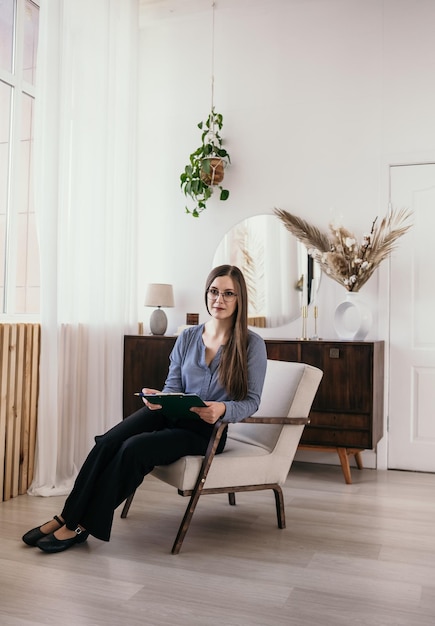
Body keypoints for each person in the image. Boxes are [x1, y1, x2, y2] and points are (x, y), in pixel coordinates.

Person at [22, 264, 267, 553]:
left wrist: (222, 410)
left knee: (134, 449)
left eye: (228, 294)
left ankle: (80, 526)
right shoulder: (188, 337)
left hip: (206, 430)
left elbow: (251, 401)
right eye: (214, 292)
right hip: (170, 412)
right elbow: (174, 385)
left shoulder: (252, 344)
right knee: (108, 441)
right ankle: (67, 515)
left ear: (240, 299)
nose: (219, 300)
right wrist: (160, 396)